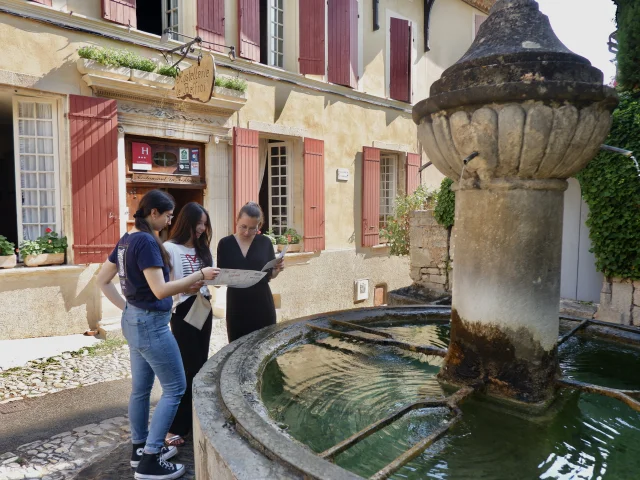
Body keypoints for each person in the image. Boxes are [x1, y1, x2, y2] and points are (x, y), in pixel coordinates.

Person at [96, 190, 218, 480]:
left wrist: (129, 308)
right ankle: (151, 458)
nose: (170, 220)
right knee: (176, 387)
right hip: (151, 325)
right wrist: (200, 276)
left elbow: (102, 280)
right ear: (153, 213)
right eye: (167, 215)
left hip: (136, 321)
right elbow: (161, 290)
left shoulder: (126, 240)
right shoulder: (149, 242)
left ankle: (140, 450)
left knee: (140, 389)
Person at [163, 202, 218, 448]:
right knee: (188, 369)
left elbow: (206, 281)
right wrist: (190, 284)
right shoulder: (169, 249)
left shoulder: (202, 248)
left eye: (205, 224)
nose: (202, 228)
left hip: (203, 306)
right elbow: (166, 286)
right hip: (183, 310)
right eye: (200, 223)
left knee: (201, 365)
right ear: (188, 222)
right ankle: (176, 426)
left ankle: (197, 420)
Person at [216, 202, 285, 342]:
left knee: (264, 347)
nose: (247, 232)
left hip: (262, 304)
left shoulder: (265, 243)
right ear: (237, 221)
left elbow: (269, 275)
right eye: (243, 227)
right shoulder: (225, 244)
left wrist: (277, 270)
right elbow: (221, 276)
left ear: (259, 226)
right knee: (237, 349)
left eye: (252, 228)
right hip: (237, 305)